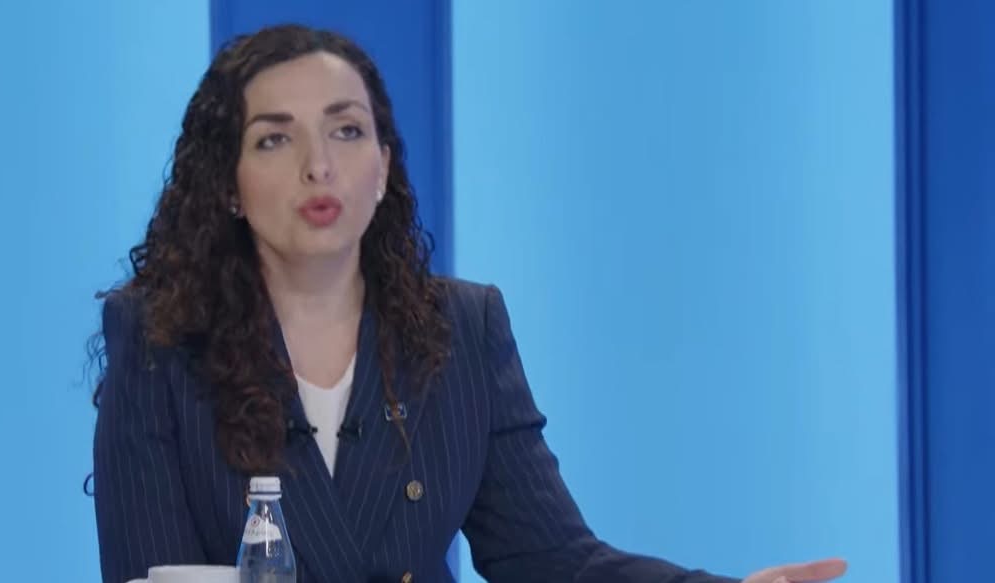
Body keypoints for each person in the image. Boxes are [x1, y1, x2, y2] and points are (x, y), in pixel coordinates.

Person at [91, 23, 848, 583]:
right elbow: (149, 572)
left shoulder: (460, 328)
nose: (319, 166)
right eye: (274, 140)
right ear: (226, 184)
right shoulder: (159, 340)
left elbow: (551, 559)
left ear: (383, 168)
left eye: (347, 131)